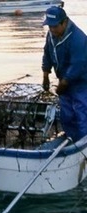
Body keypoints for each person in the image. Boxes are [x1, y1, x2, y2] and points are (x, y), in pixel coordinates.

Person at [42, 6, 87, 142]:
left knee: (81, 113)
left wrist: (64, 82)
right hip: (64, 81)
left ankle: (83, 144)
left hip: (81, 82)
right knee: (66, 115)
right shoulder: (51, 35)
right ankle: (72, 139)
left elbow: (78, 64)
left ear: (64, 22)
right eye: (49, 26)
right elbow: (47, 53)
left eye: (55, 26)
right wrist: (45, 74)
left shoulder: (78, 38)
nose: (52, 29)